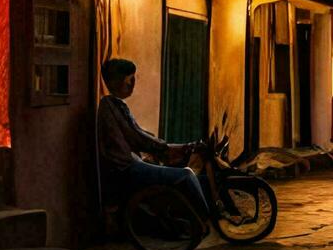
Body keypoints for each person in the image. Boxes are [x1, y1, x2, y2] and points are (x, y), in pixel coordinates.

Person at [97, 58, 236, 221]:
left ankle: (208, 214)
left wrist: (168, 146)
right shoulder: (110, 106)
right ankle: (205, 220)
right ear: (116, 82)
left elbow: (139, 133)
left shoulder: (115, 105)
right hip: (128, 168)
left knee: (201, 180)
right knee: (187, 175)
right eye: (129, 81)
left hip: (133, 163)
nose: (133, 85)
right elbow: (137, 137)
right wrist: (164, 147)